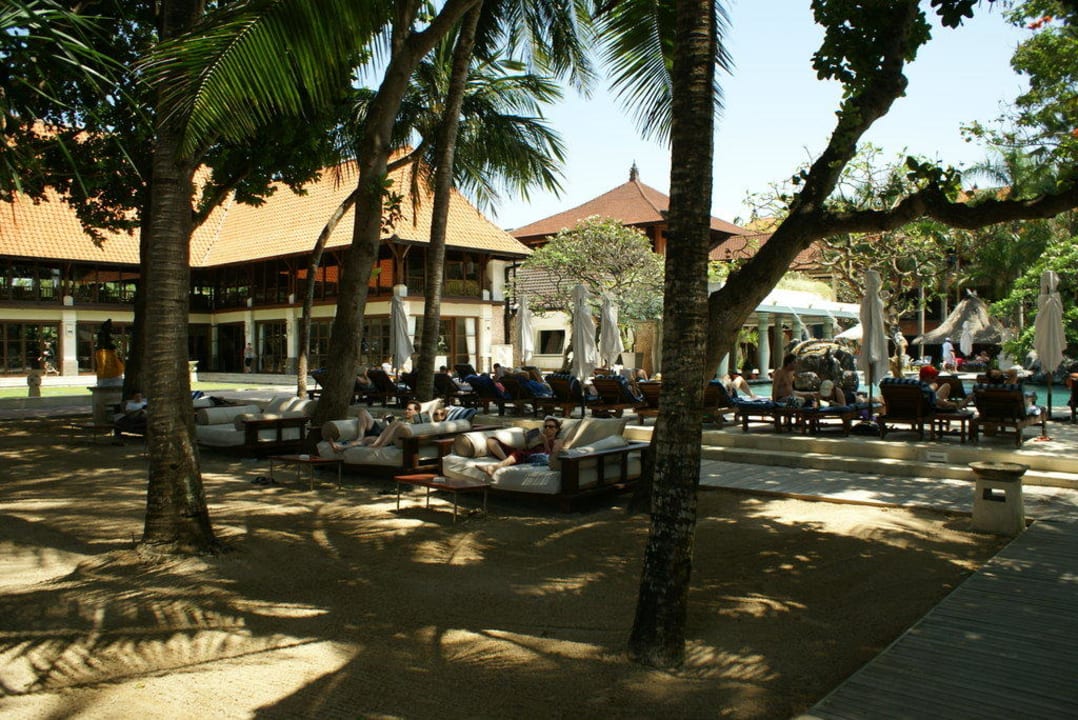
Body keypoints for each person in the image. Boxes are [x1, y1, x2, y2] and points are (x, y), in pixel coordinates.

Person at [482, 416, 564, 476]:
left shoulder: (558, 441)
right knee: (491, 440)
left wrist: (545, 442)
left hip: (537, 456)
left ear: (557, 429)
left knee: (518, 453)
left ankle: (495, 468)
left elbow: (552, 456)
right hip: (526, 452)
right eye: (545, 426)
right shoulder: (540, 437)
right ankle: (506, 461)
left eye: (551, 426)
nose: (547, 428)